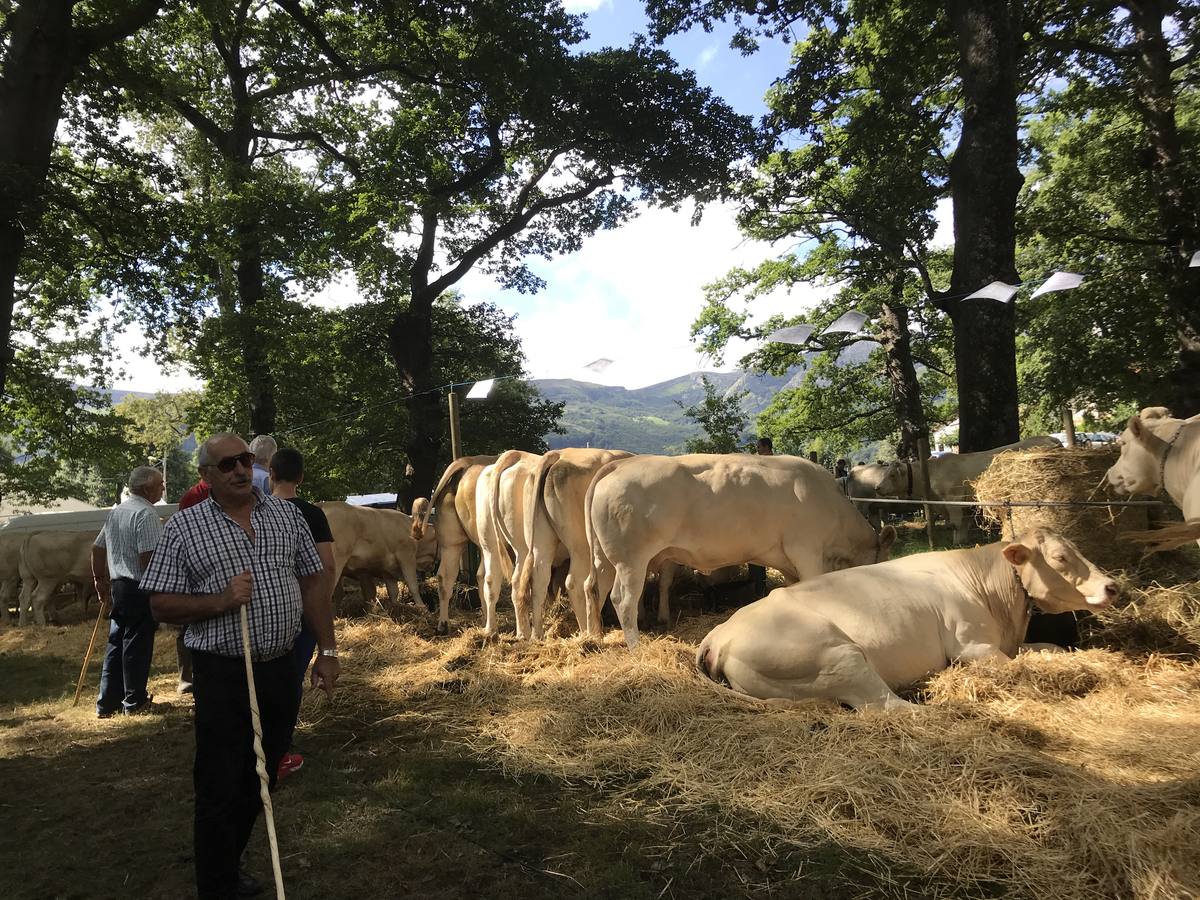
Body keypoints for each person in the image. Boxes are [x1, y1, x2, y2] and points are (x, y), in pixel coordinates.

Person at [142, 432, 339, 900]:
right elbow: (160, 605)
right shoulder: (183, 529)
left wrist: (328, 651)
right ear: (206, 476)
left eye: (245, 461)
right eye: (226, 464)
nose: (238, 470)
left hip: (280, 665)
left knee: (264, 769)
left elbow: (313, 583)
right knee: (219, 779)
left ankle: (230, 865)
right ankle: (216, 884)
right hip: (223, 671)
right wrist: (221, 600)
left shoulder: (288, 516)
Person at [269, 447, 336, 781]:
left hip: (267, 610)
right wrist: (322, 602)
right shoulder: (312, 514)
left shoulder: (256, 512)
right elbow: (326, 566)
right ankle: (279, 750)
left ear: (270, 474)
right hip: (303, 608)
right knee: (291, 678)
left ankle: (263, 746)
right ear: (301, 477)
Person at [92, 465, 166, 718]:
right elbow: (149, 557)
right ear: (147, 488)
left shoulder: (117, 512)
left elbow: (97, 548)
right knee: (137, 644)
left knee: (116, 643)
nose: (162, 488)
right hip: (139, 586)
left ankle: (107, 703)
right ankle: (135, 701)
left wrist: (99, 579)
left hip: (118, 585)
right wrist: (161, 588)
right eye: (160, 484)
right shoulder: (146, 514)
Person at [749, 438, 773, 598]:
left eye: (759, 447)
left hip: (766, 512)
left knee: (757, 550)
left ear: (766, 447)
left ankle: (759, 589)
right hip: (762, 511)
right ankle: (757, 586)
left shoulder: (772, 464)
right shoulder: (764, 462)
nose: (757, 450)